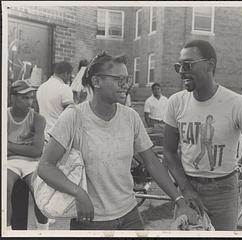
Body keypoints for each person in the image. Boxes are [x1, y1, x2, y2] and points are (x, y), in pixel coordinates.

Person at [37, 51, 199, 230]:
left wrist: (179, 200)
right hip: (91, 220)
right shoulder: (74, 117)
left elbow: (152, 162)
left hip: (130, 216)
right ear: (96, 82)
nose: (125, 86)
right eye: (118, 80)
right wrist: (79, 193)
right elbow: (45, 167)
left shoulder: (130, 117)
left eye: (127, 79)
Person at [163, 39, 242, 230]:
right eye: (178, 65)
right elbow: (169, 153)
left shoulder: (237, 104)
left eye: (187, 65)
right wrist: (186, 190)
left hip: (223, 191)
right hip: (188, 186)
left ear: (210, 64)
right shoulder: (175, 103)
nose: (181, 71)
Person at [7, 80, 49, 230]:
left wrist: (8, 146)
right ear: (13, 97)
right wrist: (24, 148)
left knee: (40, 193)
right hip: (9, 162)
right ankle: (8, 230)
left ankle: (43, 231)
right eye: (25, 97)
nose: (29, 101)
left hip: (32, 163)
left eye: (31, 97)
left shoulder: (38, 119)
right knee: (5, 188)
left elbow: (37, 151)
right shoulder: (5, 115)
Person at [36, 61, 74, 141]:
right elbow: (71, 116)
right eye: (69, 76)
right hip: (57, 136)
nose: (69, 79)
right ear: (65, 74)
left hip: (42, 134)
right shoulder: (64, 88)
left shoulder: (41, 87)